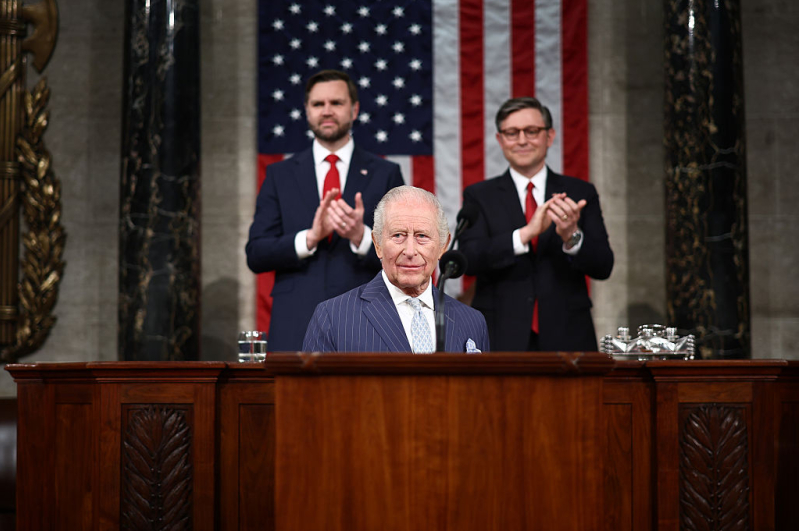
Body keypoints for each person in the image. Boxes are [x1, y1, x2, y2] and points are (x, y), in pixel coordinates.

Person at [246, 70, 405, 351]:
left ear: (354, 109)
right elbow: (256, 254)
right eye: (318, 104)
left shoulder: (386, 174)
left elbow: (405, 251)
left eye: (336, 103)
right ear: (307, 111)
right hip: (296, 322)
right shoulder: (279, 175)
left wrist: (362, 236)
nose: (327, 111)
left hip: (368, 320)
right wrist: (309, 237)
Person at [460, 97, 613, 352]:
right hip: (501, 334)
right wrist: (524, 235)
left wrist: (571, 236)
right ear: (500, 140)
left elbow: (603, 266)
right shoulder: (480, 195)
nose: (522, 140)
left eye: (531, 131)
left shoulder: (579, 192)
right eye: (512, 133)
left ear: (549, 136)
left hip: (568, 335)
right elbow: (469, 259)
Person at [303, 186, 489, 353]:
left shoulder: (472, 321)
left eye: (422, 236)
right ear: (377, 244)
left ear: (443, 246)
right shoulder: (333, 317)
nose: (410, 251)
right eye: (398, 235)